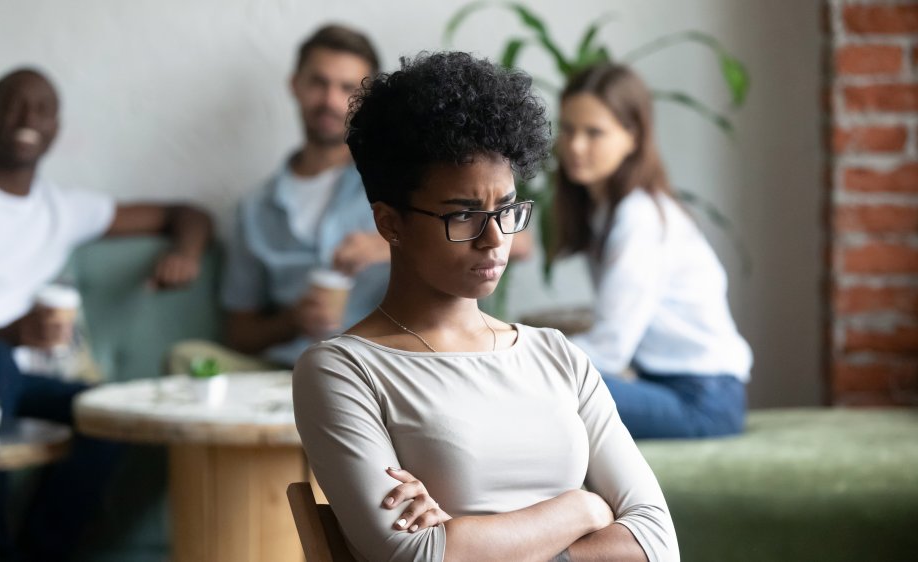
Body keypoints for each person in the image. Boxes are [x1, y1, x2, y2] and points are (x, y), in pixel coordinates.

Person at [293, 52, 678, 562]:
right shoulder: (344, 372)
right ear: (390, 223)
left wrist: (466, 538)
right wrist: (583, 510)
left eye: (507, 209)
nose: (495, 239)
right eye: (463, 215)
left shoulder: (556, 357)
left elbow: (656, 542)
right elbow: (417, 556)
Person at [0, 67, 213, 561]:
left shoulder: (63, 209)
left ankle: (35, 554)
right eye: (13, 103)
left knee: (104, 413)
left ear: (56, 128)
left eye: (42, 107)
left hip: (6, 381)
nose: (28, 116)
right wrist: (8, 334)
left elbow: (187, 213)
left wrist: (185, 250)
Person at [167, 24, 390, 374]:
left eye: (347, 88)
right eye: (319, 82)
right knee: (186, 357)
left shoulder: (397, 180)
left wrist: (389, 245)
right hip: (288, 373)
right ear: (295, 85)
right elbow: (240, 333)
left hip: (378, 367)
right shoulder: (255, 208)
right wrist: (292, 320)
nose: (331, 100)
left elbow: (499, 238)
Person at [553, 63, 753, 439]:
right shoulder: (603, 213)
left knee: (545, 389)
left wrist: (523, 355)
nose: (576, 146)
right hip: (668, 386)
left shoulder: (639, 217)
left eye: (594, 132)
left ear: (632, 136)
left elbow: (610, 349)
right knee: (544, 387)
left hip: (704, 401)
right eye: (568, 129)